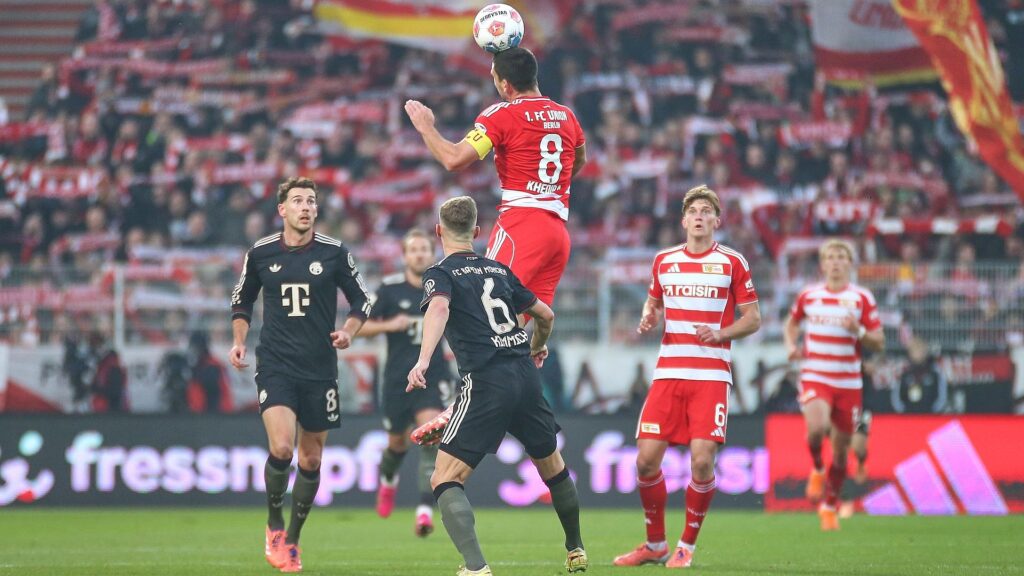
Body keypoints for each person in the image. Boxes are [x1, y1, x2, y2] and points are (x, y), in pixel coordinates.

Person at [406, 196, 587, 575]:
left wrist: (422, 360)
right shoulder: (499, 271)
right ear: (475, 232)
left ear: (439, 232)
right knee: (553, 467)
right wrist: (537, 345)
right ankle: (576, 549)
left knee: (444, 477)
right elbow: (546, 314)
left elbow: (438, 308)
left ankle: (475, 568)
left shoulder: (440, 273)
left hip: (486, 381)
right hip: (525, 376)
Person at [229, 176, 372, 573]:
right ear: (283, 209)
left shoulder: (334, 252)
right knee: (281, 449)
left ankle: (293, 537)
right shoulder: (260, 253)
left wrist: (349, 332)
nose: (306, 207)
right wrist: (239, 340)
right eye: (298, 201)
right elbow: (241, 301)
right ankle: (273, 524)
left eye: (311, 201)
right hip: (275, 364)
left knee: (311, 458)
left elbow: (362, 300)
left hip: (320, 369)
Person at [614, 185, 761, 569]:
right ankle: (655, 544)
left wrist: (722, 333)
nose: (699, 216)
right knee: (646, 461)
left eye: (706, 210)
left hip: (710, 376)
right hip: (668, 374)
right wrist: (649, 314)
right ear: (683, 220)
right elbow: (654, 299)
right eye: (693, 210)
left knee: (701, 463)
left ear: (716, 220)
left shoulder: (732, 262)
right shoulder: (664, 260)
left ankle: (686, 547)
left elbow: (754, 319)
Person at [404, 46, 586, 311]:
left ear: (505, 83)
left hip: (522, 224)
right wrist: (549, 188)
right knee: (519, 323)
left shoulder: (501, 115)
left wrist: (426, 127)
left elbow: (453, 159)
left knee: (485, 311)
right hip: (558, 231)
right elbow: (579, 160)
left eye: (493, 77)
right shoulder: (566, 115)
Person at [783, 238, 884, 531]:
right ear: (824, 263)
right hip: (816, 374)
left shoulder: (861, 298)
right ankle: (816, 467)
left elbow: (879, 341)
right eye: (831, 257)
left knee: (841, 452)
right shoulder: (809, 295)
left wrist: (860, 331)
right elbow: (791, 324)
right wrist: (791, 345)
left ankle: (829, 505)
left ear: (850, 263)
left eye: (842, 256)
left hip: (848, 382)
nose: (836, 262)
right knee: (815, 429)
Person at [358, 228, 453, 537]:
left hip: (432, 376)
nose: (419, 254)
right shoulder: (389, 289)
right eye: (413, 250)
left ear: (432, 253)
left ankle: (425, 510)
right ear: (404, 256)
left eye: (424, 249)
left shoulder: (442, 288)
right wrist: (390, 324)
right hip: (397, 379)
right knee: (396, 444)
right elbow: (360, 326)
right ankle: (388, 481)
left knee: (431, 438)